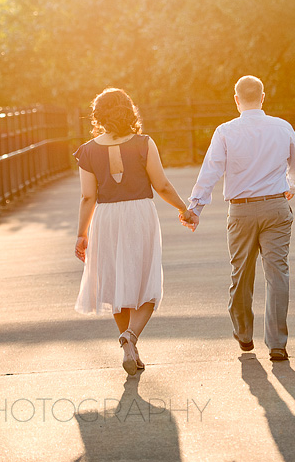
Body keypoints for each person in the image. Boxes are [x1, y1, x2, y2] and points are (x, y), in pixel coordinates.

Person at [184, 75, 295, 362]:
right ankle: (277, 342)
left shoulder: (225, 131)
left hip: (240, 211)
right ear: (263, 97)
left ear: (236, 99)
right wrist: (292, 189)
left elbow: (211, 171)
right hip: (276, 208)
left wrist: (195, 208)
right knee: (278, 274)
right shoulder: (282, 127)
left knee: (241, 274)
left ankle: (243, 332)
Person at [73, 87, 194, 375]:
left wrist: (81, 233)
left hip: (107, 218)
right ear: (129, 111)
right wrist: (183, 209)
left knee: (116, 283)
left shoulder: (87, 151)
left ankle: (128, 345)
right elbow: (161, 184)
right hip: (140, 214)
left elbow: (87, 197)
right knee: (147, 281)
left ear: (98, 115)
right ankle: (131, 337)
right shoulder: (144, 144)